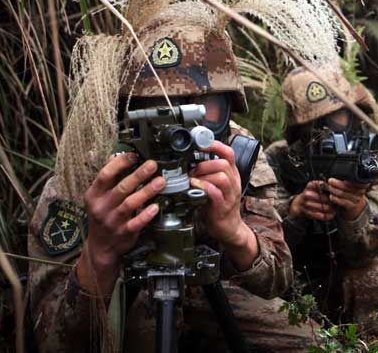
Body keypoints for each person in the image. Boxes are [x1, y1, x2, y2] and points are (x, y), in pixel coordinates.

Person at [27, 20, 316, 352]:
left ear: (226, 112)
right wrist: (100, 255)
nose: (178, 131)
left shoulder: (233, 151)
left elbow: (277, 278)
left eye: (200, 108)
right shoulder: (89, 172)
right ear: (126, 113)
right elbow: (53, 343)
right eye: (156, 111)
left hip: (214, 296)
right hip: (126, 301)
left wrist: (236, 232)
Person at [264, 62, 378, 342]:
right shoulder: (278, 159)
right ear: (299, 130)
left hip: (346, 273)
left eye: (340, 118)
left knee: (372, 278)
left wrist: (355, 210)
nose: (331, 132)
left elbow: (366, 254)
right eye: (319, 125)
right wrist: (295, 209)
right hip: (291, 275)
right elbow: (258, 235)